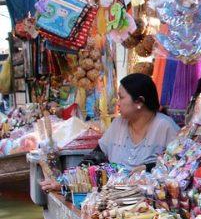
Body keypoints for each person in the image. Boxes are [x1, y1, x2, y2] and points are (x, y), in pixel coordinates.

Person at [39, 73, 179, 192]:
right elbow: (94, 159)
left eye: (121, 97)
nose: (117, 103)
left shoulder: (165, 127)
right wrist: (64, 182)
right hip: (115, 203)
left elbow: (181, 166)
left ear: (139, 101)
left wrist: (149, 168)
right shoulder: (118, 124)